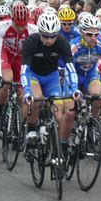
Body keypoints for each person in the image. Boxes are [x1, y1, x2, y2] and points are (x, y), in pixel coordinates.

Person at [21, 11, 80, 159]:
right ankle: (32, 129)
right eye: (46, 36)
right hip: (34, 75)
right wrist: (27, 90)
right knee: (37, 98)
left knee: (59, 118)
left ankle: (54, 144)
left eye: (53, 36)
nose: (49, 40)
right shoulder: (31, 41)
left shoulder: (62, 42)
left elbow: (70, 67)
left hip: (52, 77)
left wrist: (74, 88)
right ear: (40, 32)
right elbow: (24, 70)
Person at [0, 4, 38, 130]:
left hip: (21, 58)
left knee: (23, 95)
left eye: (23, 25)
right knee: (7, 81)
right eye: (17, 24)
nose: (20, 28)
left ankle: (20, 127)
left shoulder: (34, 30)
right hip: (6, 55)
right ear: (11, 19)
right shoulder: (1, 27)